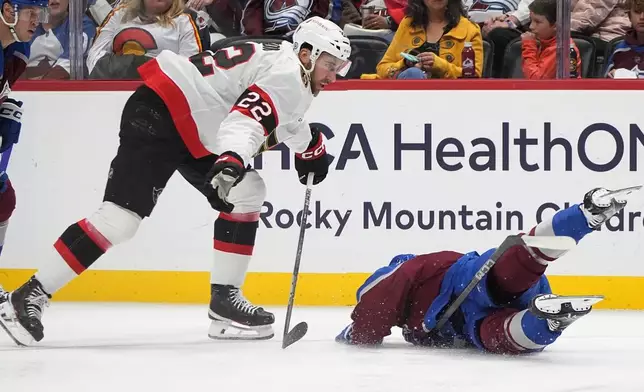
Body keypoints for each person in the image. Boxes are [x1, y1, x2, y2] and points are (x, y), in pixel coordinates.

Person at [0, 16, 351, 346]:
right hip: (162, 111)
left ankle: (224, 302)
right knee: (119, 220)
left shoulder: (289, 66)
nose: (333, 76)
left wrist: (310, 149)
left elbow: (281, 113)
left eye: (338, 68)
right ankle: (29, 294)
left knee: (247, 191)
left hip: (193, 123)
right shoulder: (290, 73)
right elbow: (247, 121)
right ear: (307, 52)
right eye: (329, 65)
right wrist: (232, 157)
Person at [336, 186, 637, 354]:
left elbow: (376, 299)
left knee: (501, 279)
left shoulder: (413, 267)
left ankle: (583, 216)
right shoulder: (418, 318)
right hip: (469, 321)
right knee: (495, 335)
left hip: (462, 282)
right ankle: (549, 321)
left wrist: (356, 333)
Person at [0, 0, 49, 255]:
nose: (36, 21)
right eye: (30, 13)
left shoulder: (18, 50)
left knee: (3, 200)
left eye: (39, 14)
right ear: (9, 11)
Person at [520, 0, 581, 79]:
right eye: (531, 20)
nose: (531, 26)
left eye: (537, 22)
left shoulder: (562, 49)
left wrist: (528, 46)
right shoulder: (541, 42)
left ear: (556, 26)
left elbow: (536, 82)